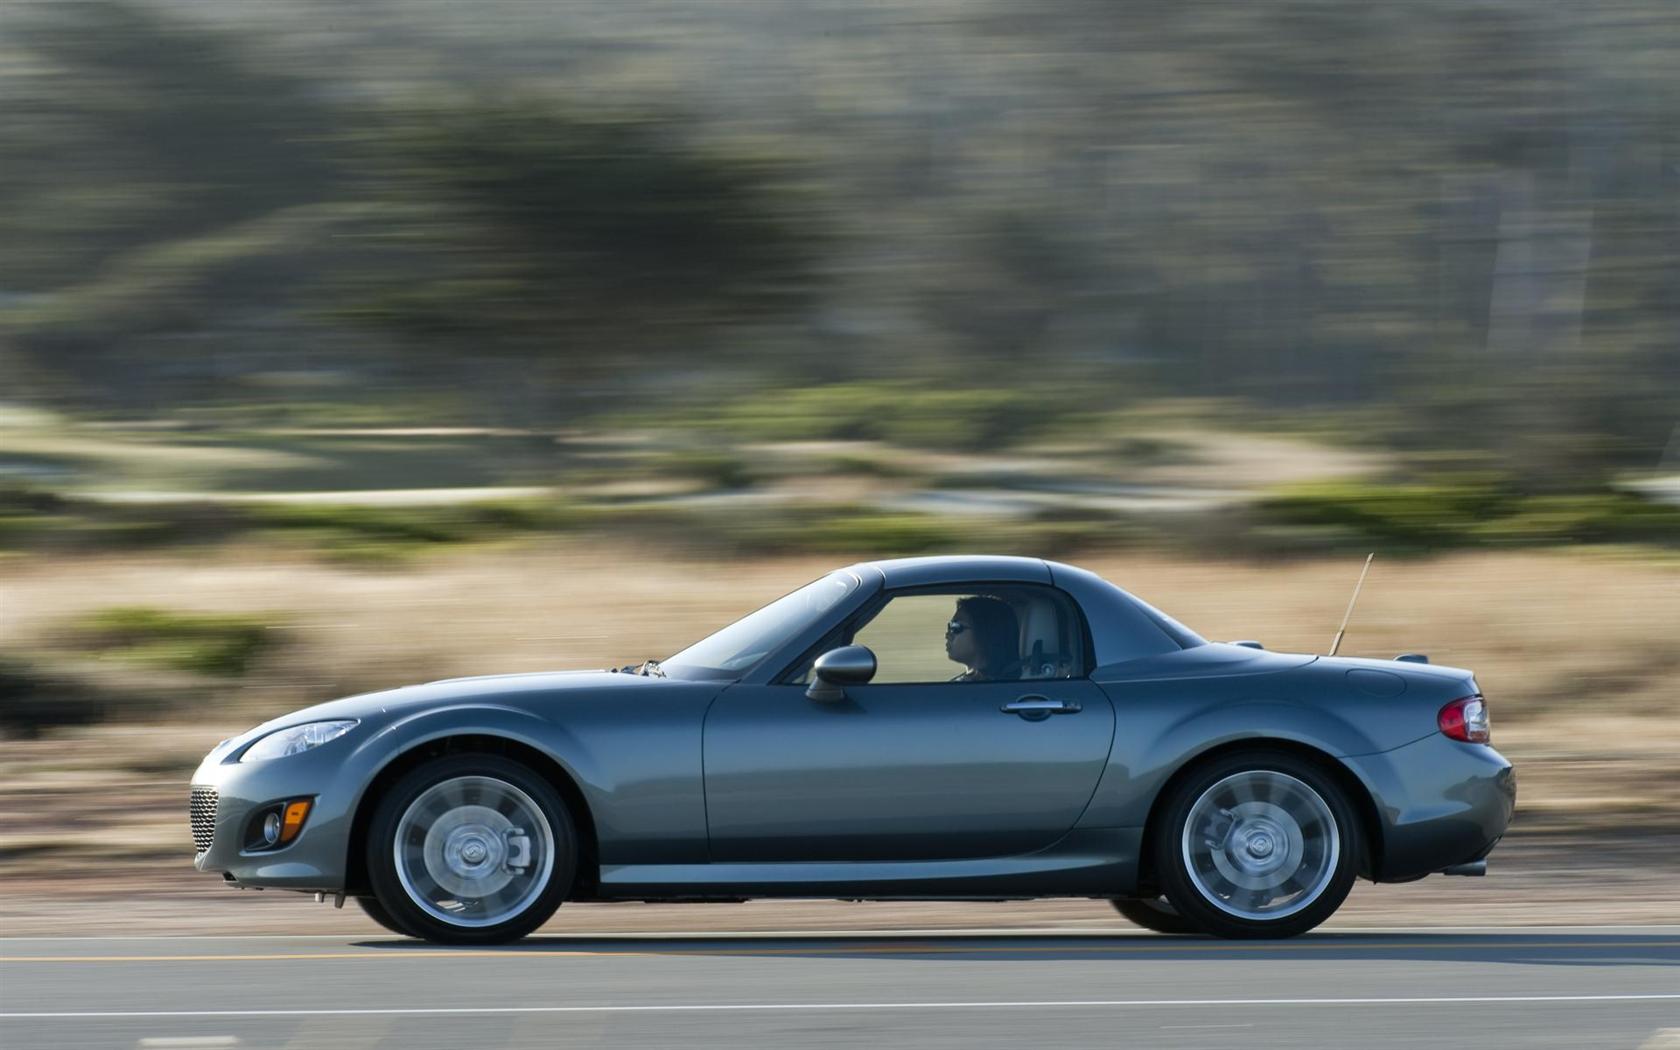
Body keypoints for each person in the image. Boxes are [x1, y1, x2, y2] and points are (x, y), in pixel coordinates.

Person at [945, 595, 1020, 682]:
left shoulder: (991, 687)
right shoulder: (967, 681)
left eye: (956, 627)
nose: (947, 635)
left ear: (984, 633)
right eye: (950, 626)